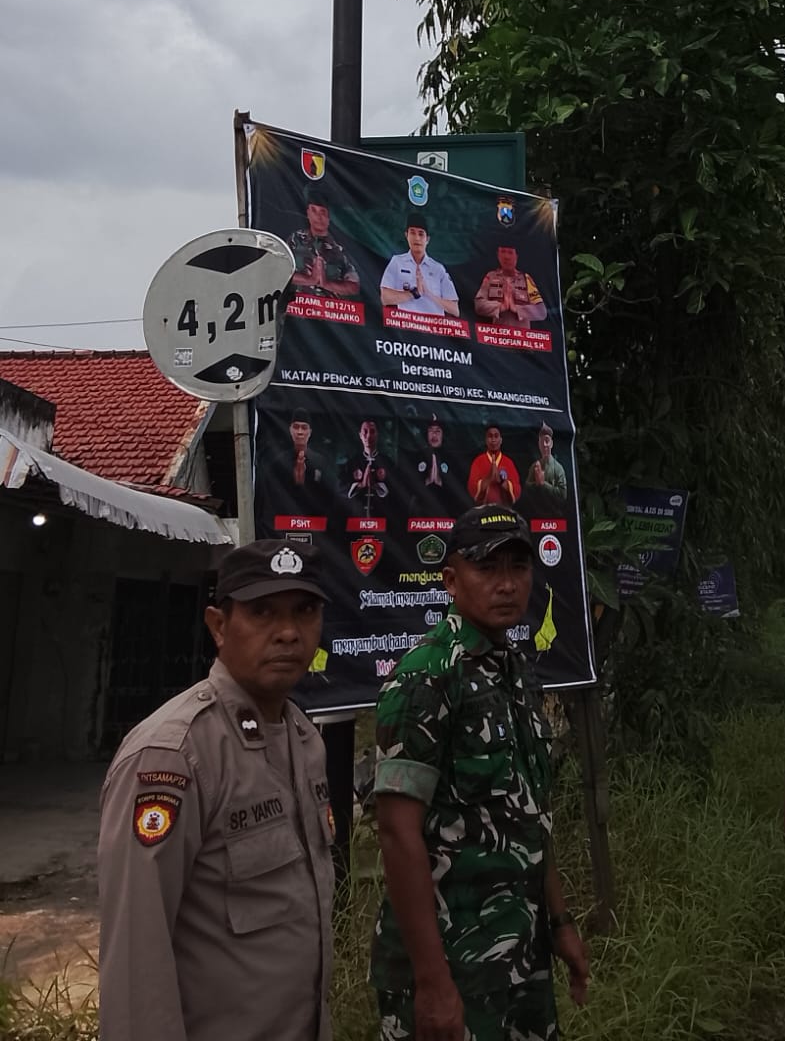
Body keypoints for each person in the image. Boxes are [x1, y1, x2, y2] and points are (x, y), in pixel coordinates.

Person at [98, 541, 334, 1041]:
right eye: (262, 612)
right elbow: (137, 960)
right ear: (219, 626)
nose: (288, 632)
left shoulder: (303, 738)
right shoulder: (173, 755)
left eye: (305, 611)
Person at [372, 506, 587, 1040]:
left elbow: (530, 812)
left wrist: (560, 923)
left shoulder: (515, 672)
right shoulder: (426, 678)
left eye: (518, 567)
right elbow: (397, 834)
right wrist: (432, 982)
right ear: (451, 580)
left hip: (520, 952)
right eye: (487, 568)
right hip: (452, 963)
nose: (507, 584)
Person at [381, 218, 460, 318]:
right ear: (406, 235)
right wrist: (414, 293)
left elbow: (455, 310)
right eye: (412, 233)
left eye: (421, 234)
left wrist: (428, 293)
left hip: (434, 325)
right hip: (407, 323)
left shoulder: (438, 268)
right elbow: (385, 298)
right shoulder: (397, 262)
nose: (417, 238)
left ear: (427, 239)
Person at [289, 201, 361, 299]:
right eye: (314, 211)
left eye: (322, 212)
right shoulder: (296, 239)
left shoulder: (340, 247)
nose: (318, 217)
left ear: (329, 217)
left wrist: (326, 283)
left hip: (330, 306)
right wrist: (310, 280)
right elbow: (281, 272)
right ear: (308, 213)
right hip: (297, 305)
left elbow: (354, 287)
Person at [474, 240, 548, 328]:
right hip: (498, 334)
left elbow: (541, 311)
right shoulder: (491, 277)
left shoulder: (526, 278)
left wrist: (517, 309)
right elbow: (479, 305)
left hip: (521, 335)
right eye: (503, 252)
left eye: (510, 252)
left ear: (516, 256)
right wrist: (501, 307)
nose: (506, 257)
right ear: (498, 255)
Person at [343, 419, 399, 508]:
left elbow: (396, 491)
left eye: (372, 432)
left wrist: (376, 486)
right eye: (365, 432)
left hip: (381, 512)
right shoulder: (352, 463)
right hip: (357, 513)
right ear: (360, 435)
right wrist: (361, 485)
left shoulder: (387, 462)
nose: (368, 436)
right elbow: (342, 489)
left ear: (377, 435)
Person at [467, 423, 521, 507]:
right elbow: (472, 486)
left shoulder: (508, 462)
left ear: (501, 440)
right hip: (484, 510)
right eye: (490, 436)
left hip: (503, 510)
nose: (493, 440)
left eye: (496, 436)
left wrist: (504, 483)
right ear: (486, 440)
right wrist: (488, 478)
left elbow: (517, 488)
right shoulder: (478, 461)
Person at [526, 422, 567, 498]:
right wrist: (536, 484)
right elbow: (527, 489)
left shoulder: (558, 468)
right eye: (541, 442)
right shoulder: (534, 466)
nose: (544, 445)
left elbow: (563, 495)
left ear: (551, 444)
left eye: (547, 441)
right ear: (539, 445)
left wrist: (543, 484)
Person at [415, 414, 450, 492]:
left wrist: (440, 482)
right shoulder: (416, 457)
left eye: (438, 431)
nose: (434, 434)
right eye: (430, 430)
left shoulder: (452, 459)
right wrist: (427, 481)